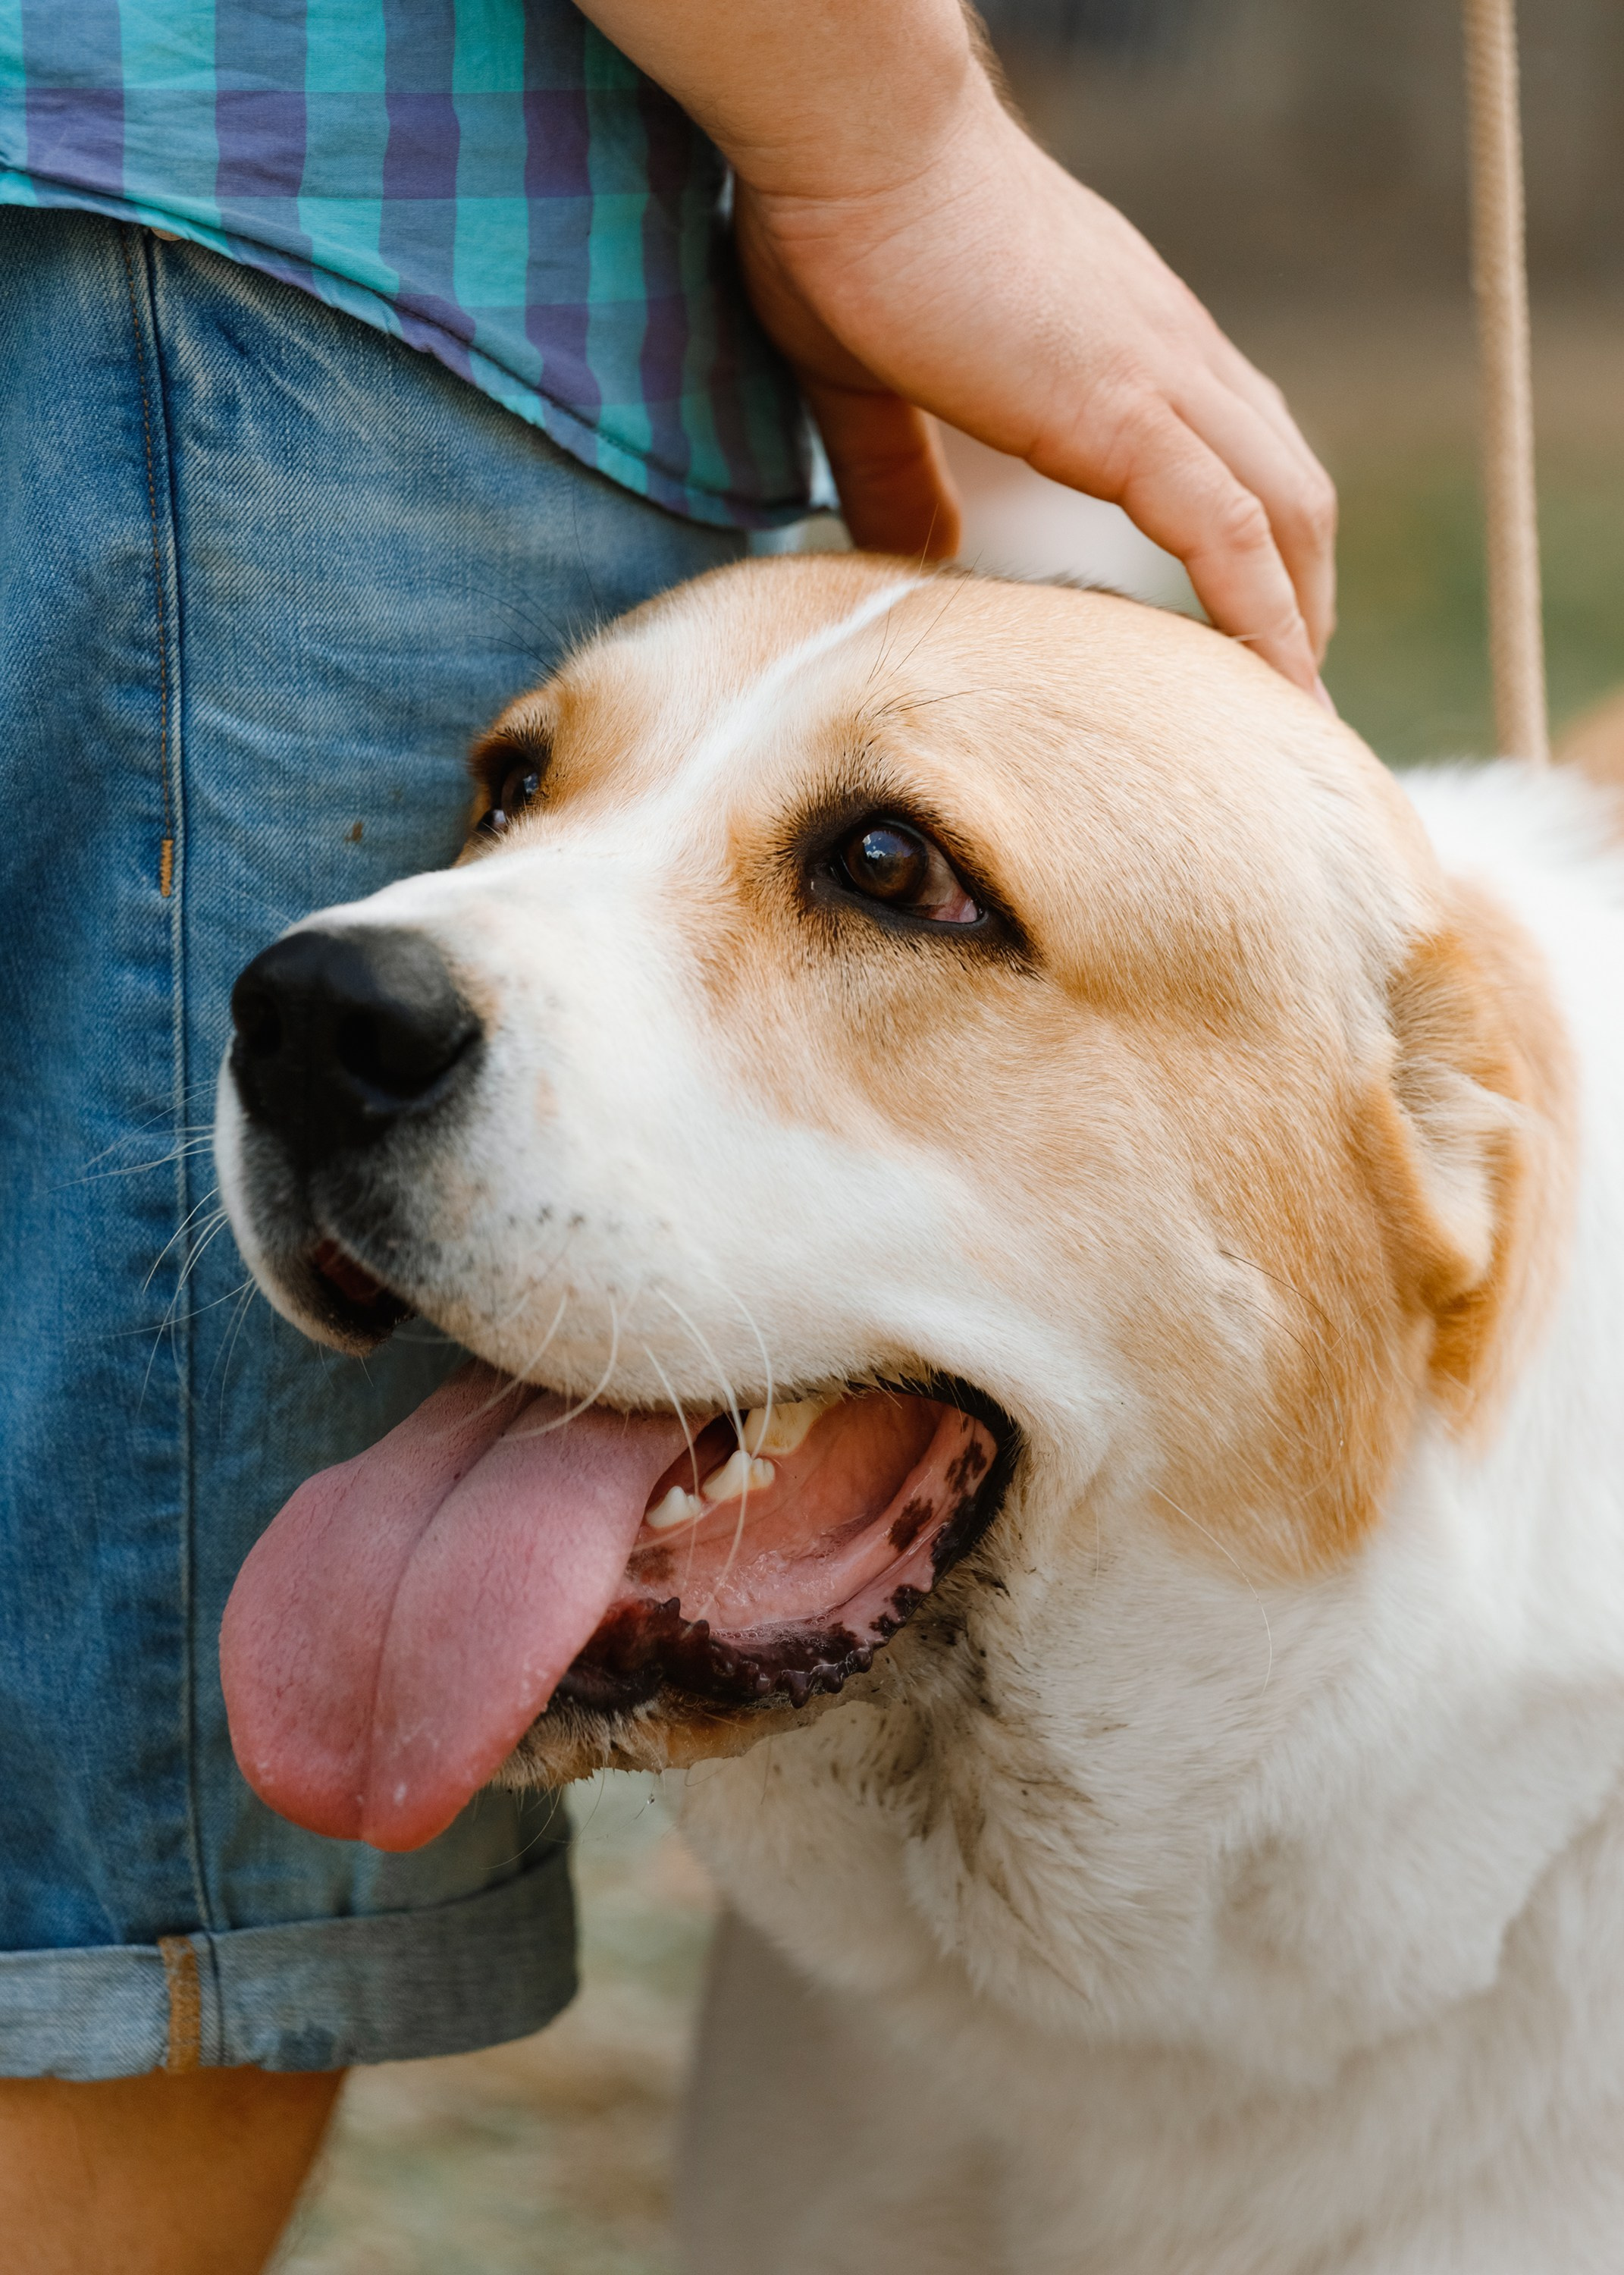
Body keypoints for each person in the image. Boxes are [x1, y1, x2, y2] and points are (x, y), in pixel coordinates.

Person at [0, 1, 1336, 2265]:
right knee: (115, 1985)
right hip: (289, 253)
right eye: (519, 782)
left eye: (882, 879)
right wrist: (885, 132)